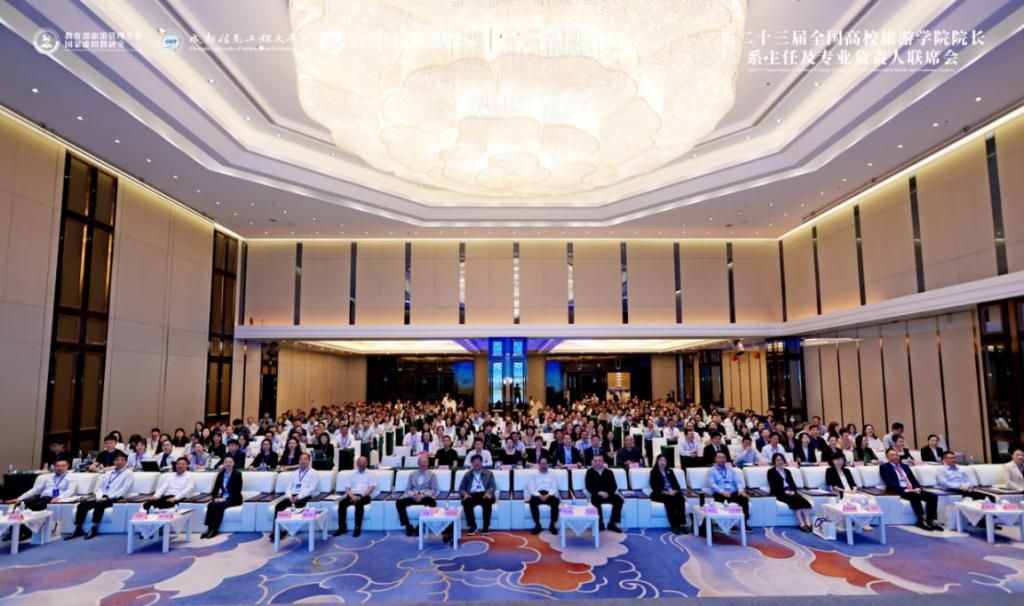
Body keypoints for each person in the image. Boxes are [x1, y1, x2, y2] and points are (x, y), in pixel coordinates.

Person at [70, 450, 134, 539]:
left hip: (116, 497)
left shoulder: (128, 473)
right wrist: (100, 496)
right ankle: (78, 528)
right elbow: (99, 487)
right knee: (82, 505)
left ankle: (94, 528)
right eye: (117, 460)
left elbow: (124, 490)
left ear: (126, 462)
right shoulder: (108, 473)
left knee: (100, 505)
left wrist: (108, 497)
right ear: (113, 462)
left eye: (122, 460)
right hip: (102, 497)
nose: (119, 462)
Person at [880, 448, 940, 531]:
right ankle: (920, 520)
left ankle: (930, 520)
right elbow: (890, 482)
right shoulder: (884, 467)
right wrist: (906, 490)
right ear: (887, 457)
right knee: (915, 496)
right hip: (898, 490)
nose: (895, 457)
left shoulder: (905, 466)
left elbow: (913, 479)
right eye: (892, 455)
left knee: (932, 496)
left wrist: (917, 487)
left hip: (912, 489)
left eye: (896, 455)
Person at [271, 452, 320, 539]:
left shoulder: (314, 473)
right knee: (278, 506)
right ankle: (276, 532)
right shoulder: (294, 473)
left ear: (309, 461)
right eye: (301, 459)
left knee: (297, 505)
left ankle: (290, 530)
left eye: (305, 459)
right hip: (292, 496)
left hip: (305, 496)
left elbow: (311, 489)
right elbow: (288, 487)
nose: (303, 461)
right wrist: (289, 496)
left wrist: (299, 497)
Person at [704, 451, 750, 531]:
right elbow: (711, 484)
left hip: (732, 492)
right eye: (719, 457)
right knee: (728, 499)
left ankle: (744, 523)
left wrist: (740, 490)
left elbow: (737, 481)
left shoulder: (731, 470)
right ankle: (731, 524)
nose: (722, 459)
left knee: (743, 498)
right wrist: (722, 491)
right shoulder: (711, 470)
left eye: (723, 458)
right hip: (719, 494)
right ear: (715, 459)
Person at [767, 453, 812, 532]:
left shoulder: (787, 471)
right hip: (779, 492)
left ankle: (808, 523)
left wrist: (792, 491)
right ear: (774, 461)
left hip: (790, 491)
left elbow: (792, 483)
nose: (780, 462)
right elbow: (773, 486)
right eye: (778, 460)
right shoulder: (771, 472)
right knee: (796, 500)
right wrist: (785, 491)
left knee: (803, 500)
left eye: (781, 460)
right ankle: (801, 523)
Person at [202, 453, 243, 538]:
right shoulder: (220, 474)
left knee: (219, 506)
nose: (228, 464)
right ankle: (209, 528)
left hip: (234, 498)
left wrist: (225, 499)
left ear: (233, 463)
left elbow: (237, 491)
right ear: (223, 464)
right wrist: (215, 498)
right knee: (211, 504)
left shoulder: (237, 474)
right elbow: (215, 489)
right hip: (222, 497)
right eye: (226, 462)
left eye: (230, 462)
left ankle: (215, 529)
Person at [396, 454, 438, 536]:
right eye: (421, 462)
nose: (423, 464)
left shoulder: (432, 475)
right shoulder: (412, 474)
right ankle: (408, 526)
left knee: (433, 503)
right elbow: (408, 489)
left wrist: (422, 494)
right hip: (413, 496)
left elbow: (434, 490)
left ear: (428, 464)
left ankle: (420, 526)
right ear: (418, 464)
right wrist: (414, 495)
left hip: (425, 497)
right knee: (399, 503)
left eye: (425, 462)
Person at [334, 456, 376, 537]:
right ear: (357, 463)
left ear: (367, 463)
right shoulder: (351, 474)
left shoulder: (371, 474)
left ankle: (357, 528)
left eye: (364, 462)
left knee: (359, 504)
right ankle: (342, 528)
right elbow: (347, 489)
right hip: (352, 495)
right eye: (360, 462)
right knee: (342, 503)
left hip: (364, 496)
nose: (361, 464)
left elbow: (371, 489)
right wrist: (352, 496)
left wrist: (360, 497)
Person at [458, 454, 496, 535]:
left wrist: (488, 493)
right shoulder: (467, 474)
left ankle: (486, 527)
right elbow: (461, 488)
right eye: (474, 463)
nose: (476, 464)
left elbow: (492, 486)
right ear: (472, 464)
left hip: (484, 494)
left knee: (487, 501)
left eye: (478, 462)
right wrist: (465, 494)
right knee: (466, 501)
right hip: (472, 494)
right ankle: (472, 527)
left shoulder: (489, 473)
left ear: (482, 463)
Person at [649, 454, 687, 534]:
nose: (662, 462)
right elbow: (654, 487)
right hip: (659, 494)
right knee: (669, 500)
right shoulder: (654, 472)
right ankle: (674, 525)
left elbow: (676, 485)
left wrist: (674, 491)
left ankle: (682, 524)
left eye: (664, 461)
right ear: (657, 462)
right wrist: (666, 492)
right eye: (660, 460)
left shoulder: (670, 471)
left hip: (672, 492)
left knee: (681, 498)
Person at [585, 454, 623, 533]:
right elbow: (588, 486)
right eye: (595, 461)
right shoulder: (589, 472)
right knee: (595, 500)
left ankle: (612, 524)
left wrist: (608, 493)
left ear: (603, 462)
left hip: (608, 494)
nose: (597, 462)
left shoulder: (609, 472)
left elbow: (614, 486)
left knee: (619, 500)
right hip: (597, 495)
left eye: (599, 461)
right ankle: (600, 523)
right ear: (593, 462)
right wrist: (599, 492)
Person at [526, 456, 560, 535]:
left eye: (545, 464)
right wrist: (539, 495)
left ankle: (552, 525)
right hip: (537, 494)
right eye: (542, 464)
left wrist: (548, 495)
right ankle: (537, 525)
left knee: (556, 501)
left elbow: (554, 487)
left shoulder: (552, 474)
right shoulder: (533, 474)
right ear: (538, 465)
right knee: (532, 501)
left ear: (548, 464)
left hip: (549, 494)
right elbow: (531, 488)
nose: (544, 466)